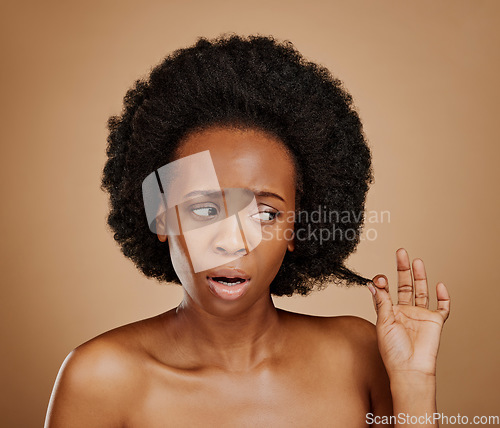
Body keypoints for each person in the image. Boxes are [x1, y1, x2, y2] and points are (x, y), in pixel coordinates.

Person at [45, 34, 450, 427]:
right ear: (163, 218)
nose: (232, 241)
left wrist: (414, 384)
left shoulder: (358, 355)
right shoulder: (101, 380)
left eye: (265, 214)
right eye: (204, 208)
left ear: (296, 228)